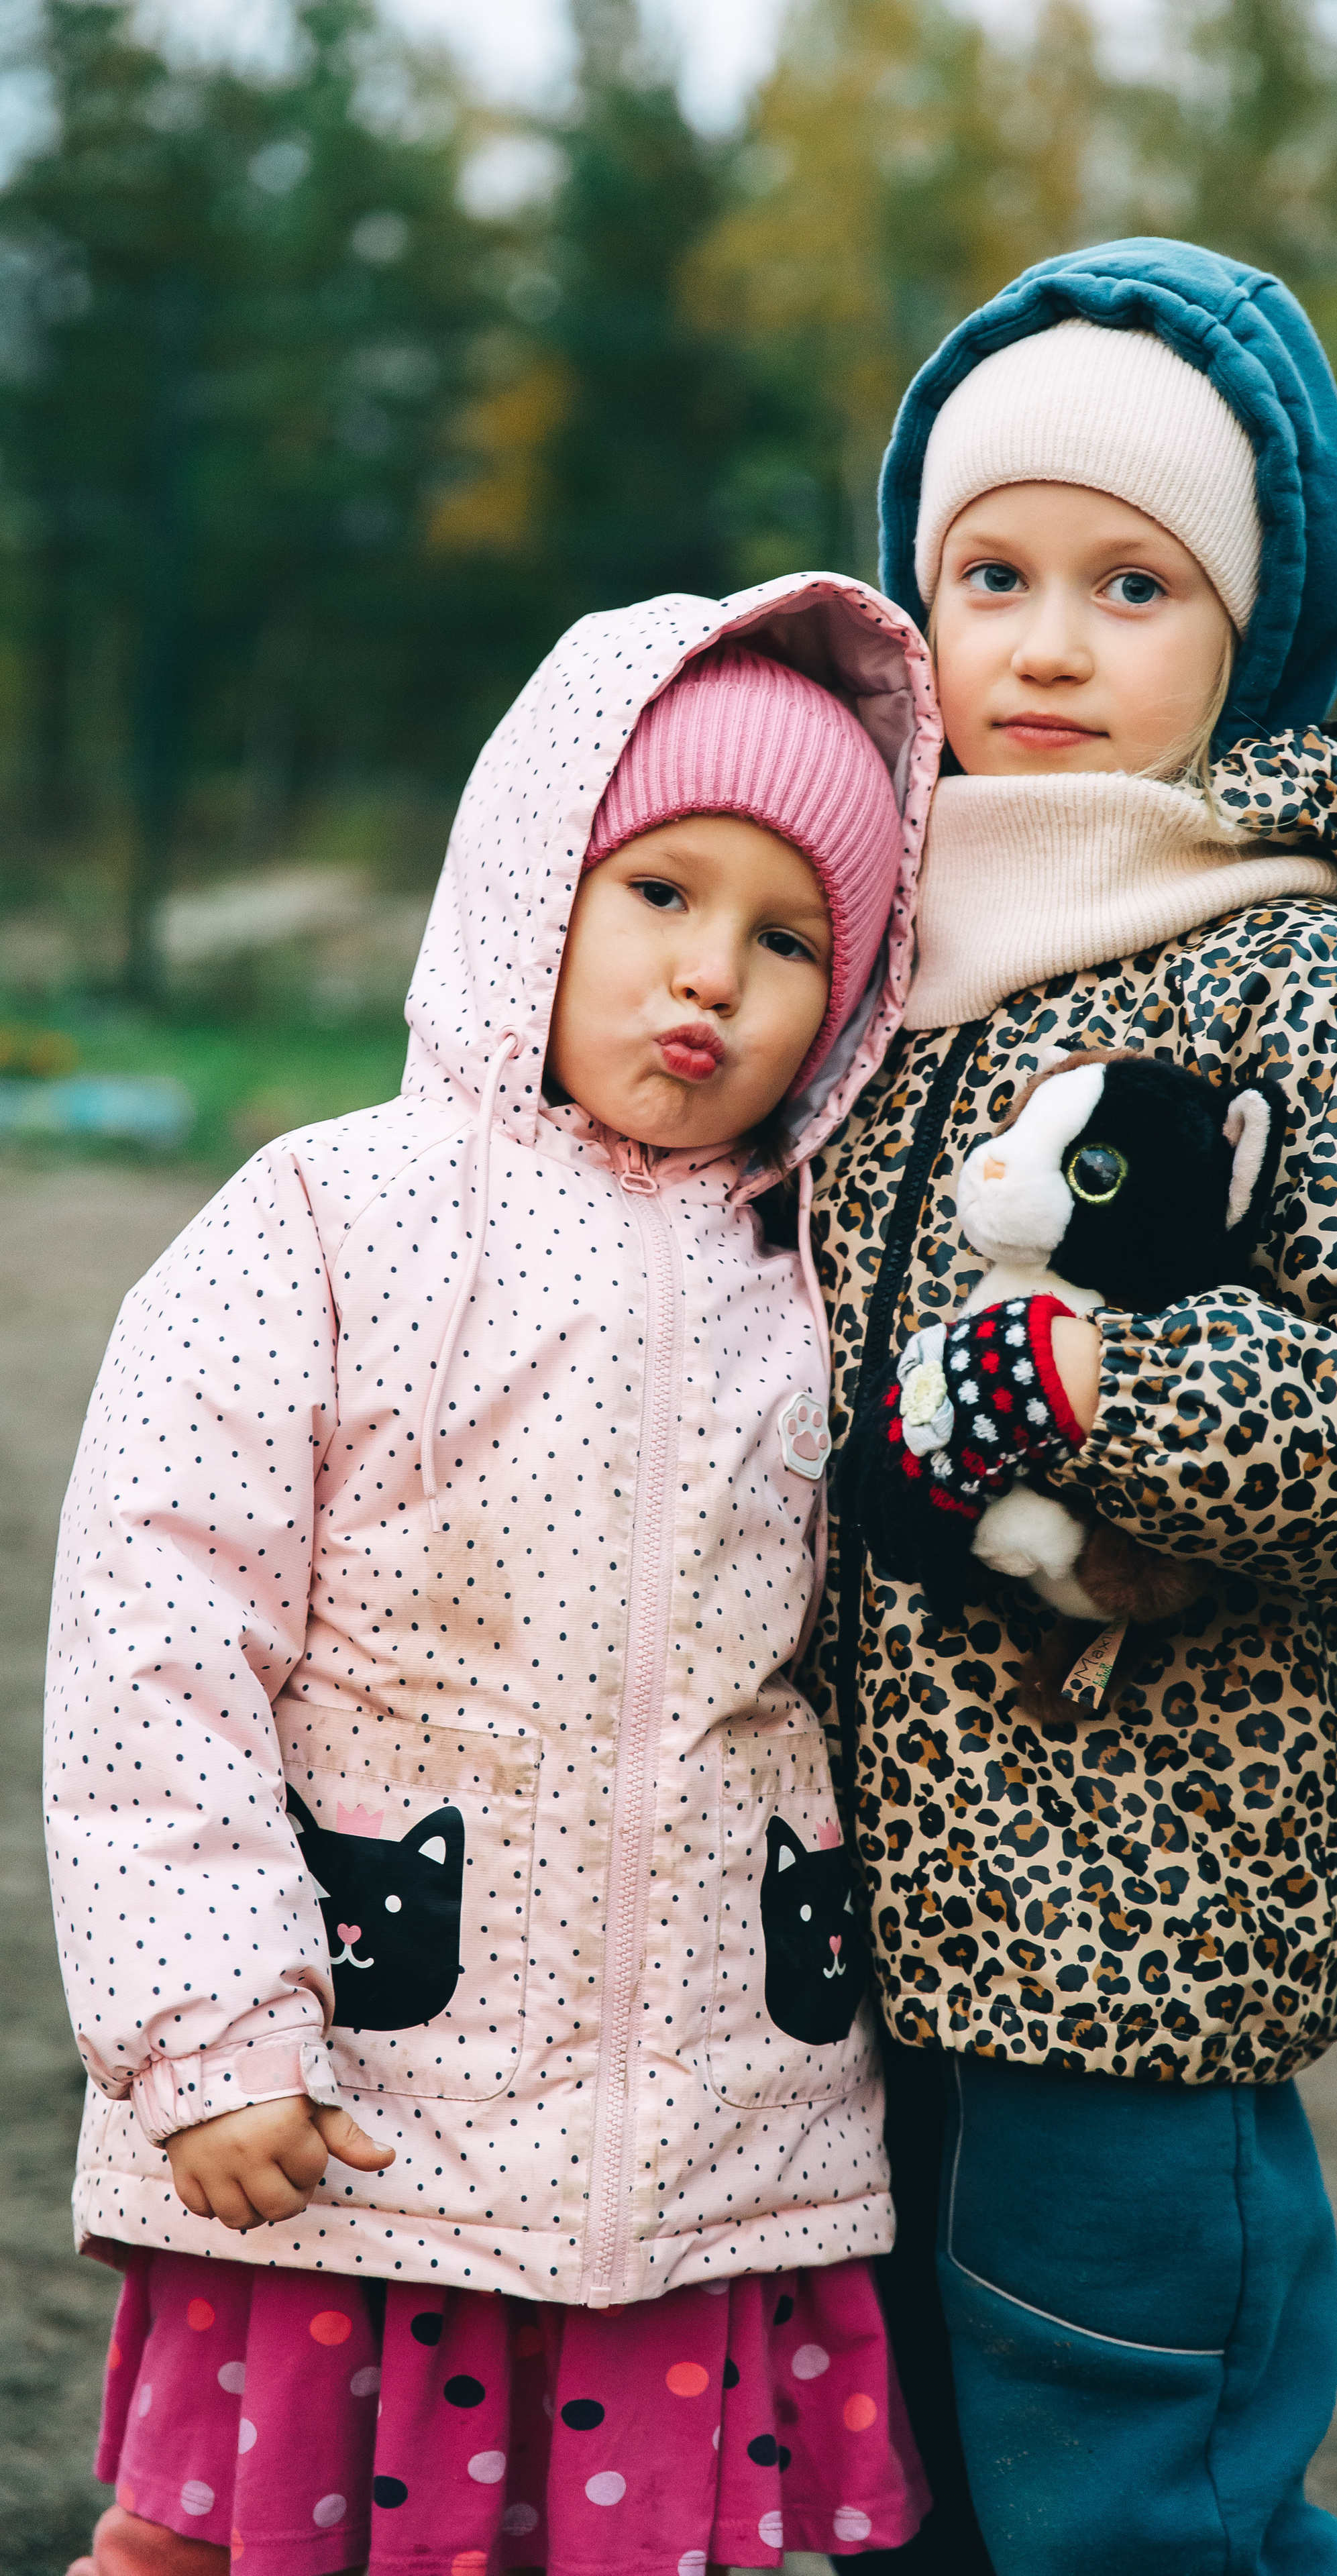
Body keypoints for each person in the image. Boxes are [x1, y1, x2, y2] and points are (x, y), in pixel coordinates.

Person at [45, 577, 945, 2576]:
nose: (711, 974)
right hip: (349, 2105)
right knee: (220, 2546)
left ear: (857, 996)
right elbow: (156, 1633)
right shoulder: (325, 1223)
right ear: (536, 874)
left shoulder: (817, 1283)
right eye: (659, 892)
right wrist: (209, 2024)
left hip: (704, 2143)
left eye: (790, 938)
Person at [808, 240, 1337, 2575]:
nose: (1046, 642)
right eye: (992, 573)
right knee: (889, 2509)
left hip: (1132, 1961)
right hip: (808, 1953)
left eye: (1135, 583)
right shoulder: (856, 960)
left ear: (1250, 630)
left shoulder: (1307, 983)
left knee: (1134, 2504)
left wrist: (1097, 1380)